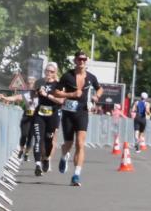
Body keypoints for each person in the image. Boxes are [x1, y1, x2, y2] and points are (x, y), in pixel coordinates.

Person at [53, 50, 102, 187]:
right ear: (75, 60)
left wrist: (96, 96)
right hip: (68, 113)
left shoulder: (91, 77)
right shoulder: (67, 76)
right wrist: (71, 94)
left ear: (86, 61)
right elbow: (56, 92)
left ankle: (76, 175)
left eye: (84, 59)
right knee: (68, 144)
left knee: (80, 144)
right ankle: (64, 156)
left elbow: (99, 89)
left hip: (82, 112)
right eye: (79, 59)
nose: (82, 62)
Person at [31, 62, 64, 176]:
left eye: (51, 71)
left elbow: (61, 101)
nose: (49, 73)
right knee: (38, 139)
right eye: (47, 71)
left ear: (55, 73)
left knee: (49, 140)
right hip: (39, 114)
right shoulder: (39, 82)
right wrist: (35, 93)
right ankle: (37, 165)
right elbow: (32, 96)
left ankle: (45, 159)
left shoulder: (59, 85)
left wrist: (47, 95)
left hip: (52, 115)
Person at [0, 77, 39, 161]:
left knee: (30, 136)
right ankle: (21, 150)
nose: (30, 85)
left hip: (35, 117)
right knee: (24, 134)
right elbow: (15, 98)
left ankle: (27, 153)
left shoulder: (39, 94)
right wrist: (4, 98)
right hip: (27, 115)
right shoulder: (25, 94)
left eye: (31, 83)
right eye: (28, 83)